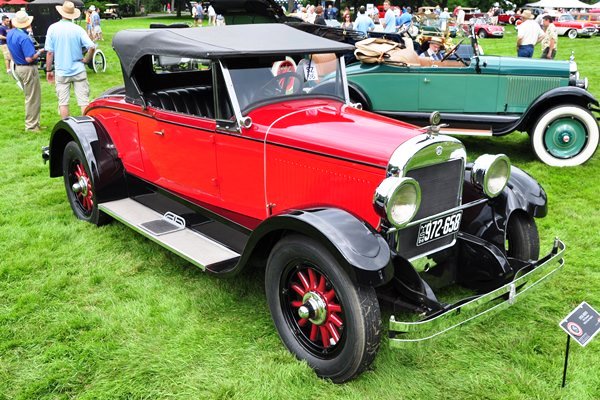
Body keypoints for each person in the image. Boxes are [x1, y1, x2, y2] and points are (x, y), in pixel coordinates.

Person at [45, 1, 96, 119]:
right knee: (84, 101)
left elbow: (49, 52)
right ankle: (88, 126)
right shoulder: (77, 29)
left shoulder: (52, 28)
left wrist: (48, 70)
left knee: (63, 102)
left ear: (61, 13)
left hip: (62, 71)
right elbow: (92, 47)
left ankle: (66, 128)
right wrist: (86, 60)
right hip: (78, 70)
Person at [7, 11, 43, 131]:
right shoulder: (24, 37)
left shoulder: (11, 33)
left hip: (18, 67)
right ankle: (32, 126)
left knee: (30, 96)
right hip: (28, 68)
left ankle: (35, 123)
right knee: (33, 98)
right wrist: (40, 52)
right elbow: (29, 58)